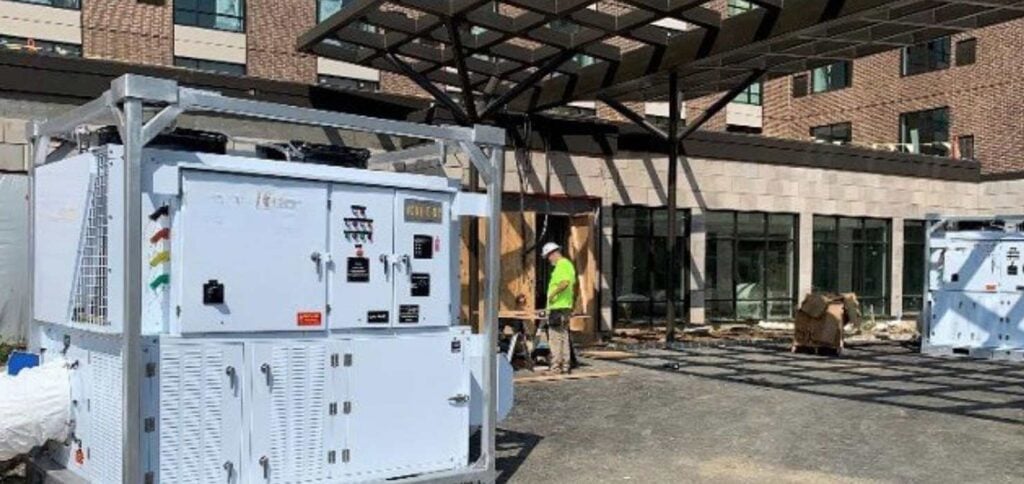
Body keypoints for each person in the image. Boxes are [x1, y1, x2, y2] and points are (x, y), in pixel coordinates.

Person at [541, 242, 576, 374]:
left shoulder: (562, 265)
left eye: (548, 256)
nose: (548, 260)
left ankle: (556, 367)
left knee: (555, 338)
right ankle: (565, 366)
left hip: (558, 307)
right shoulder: (566, 265)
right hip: (563, 307)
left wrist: (552, 295)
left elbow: (564, 283)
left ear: (553, 253)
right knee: (563, 336)